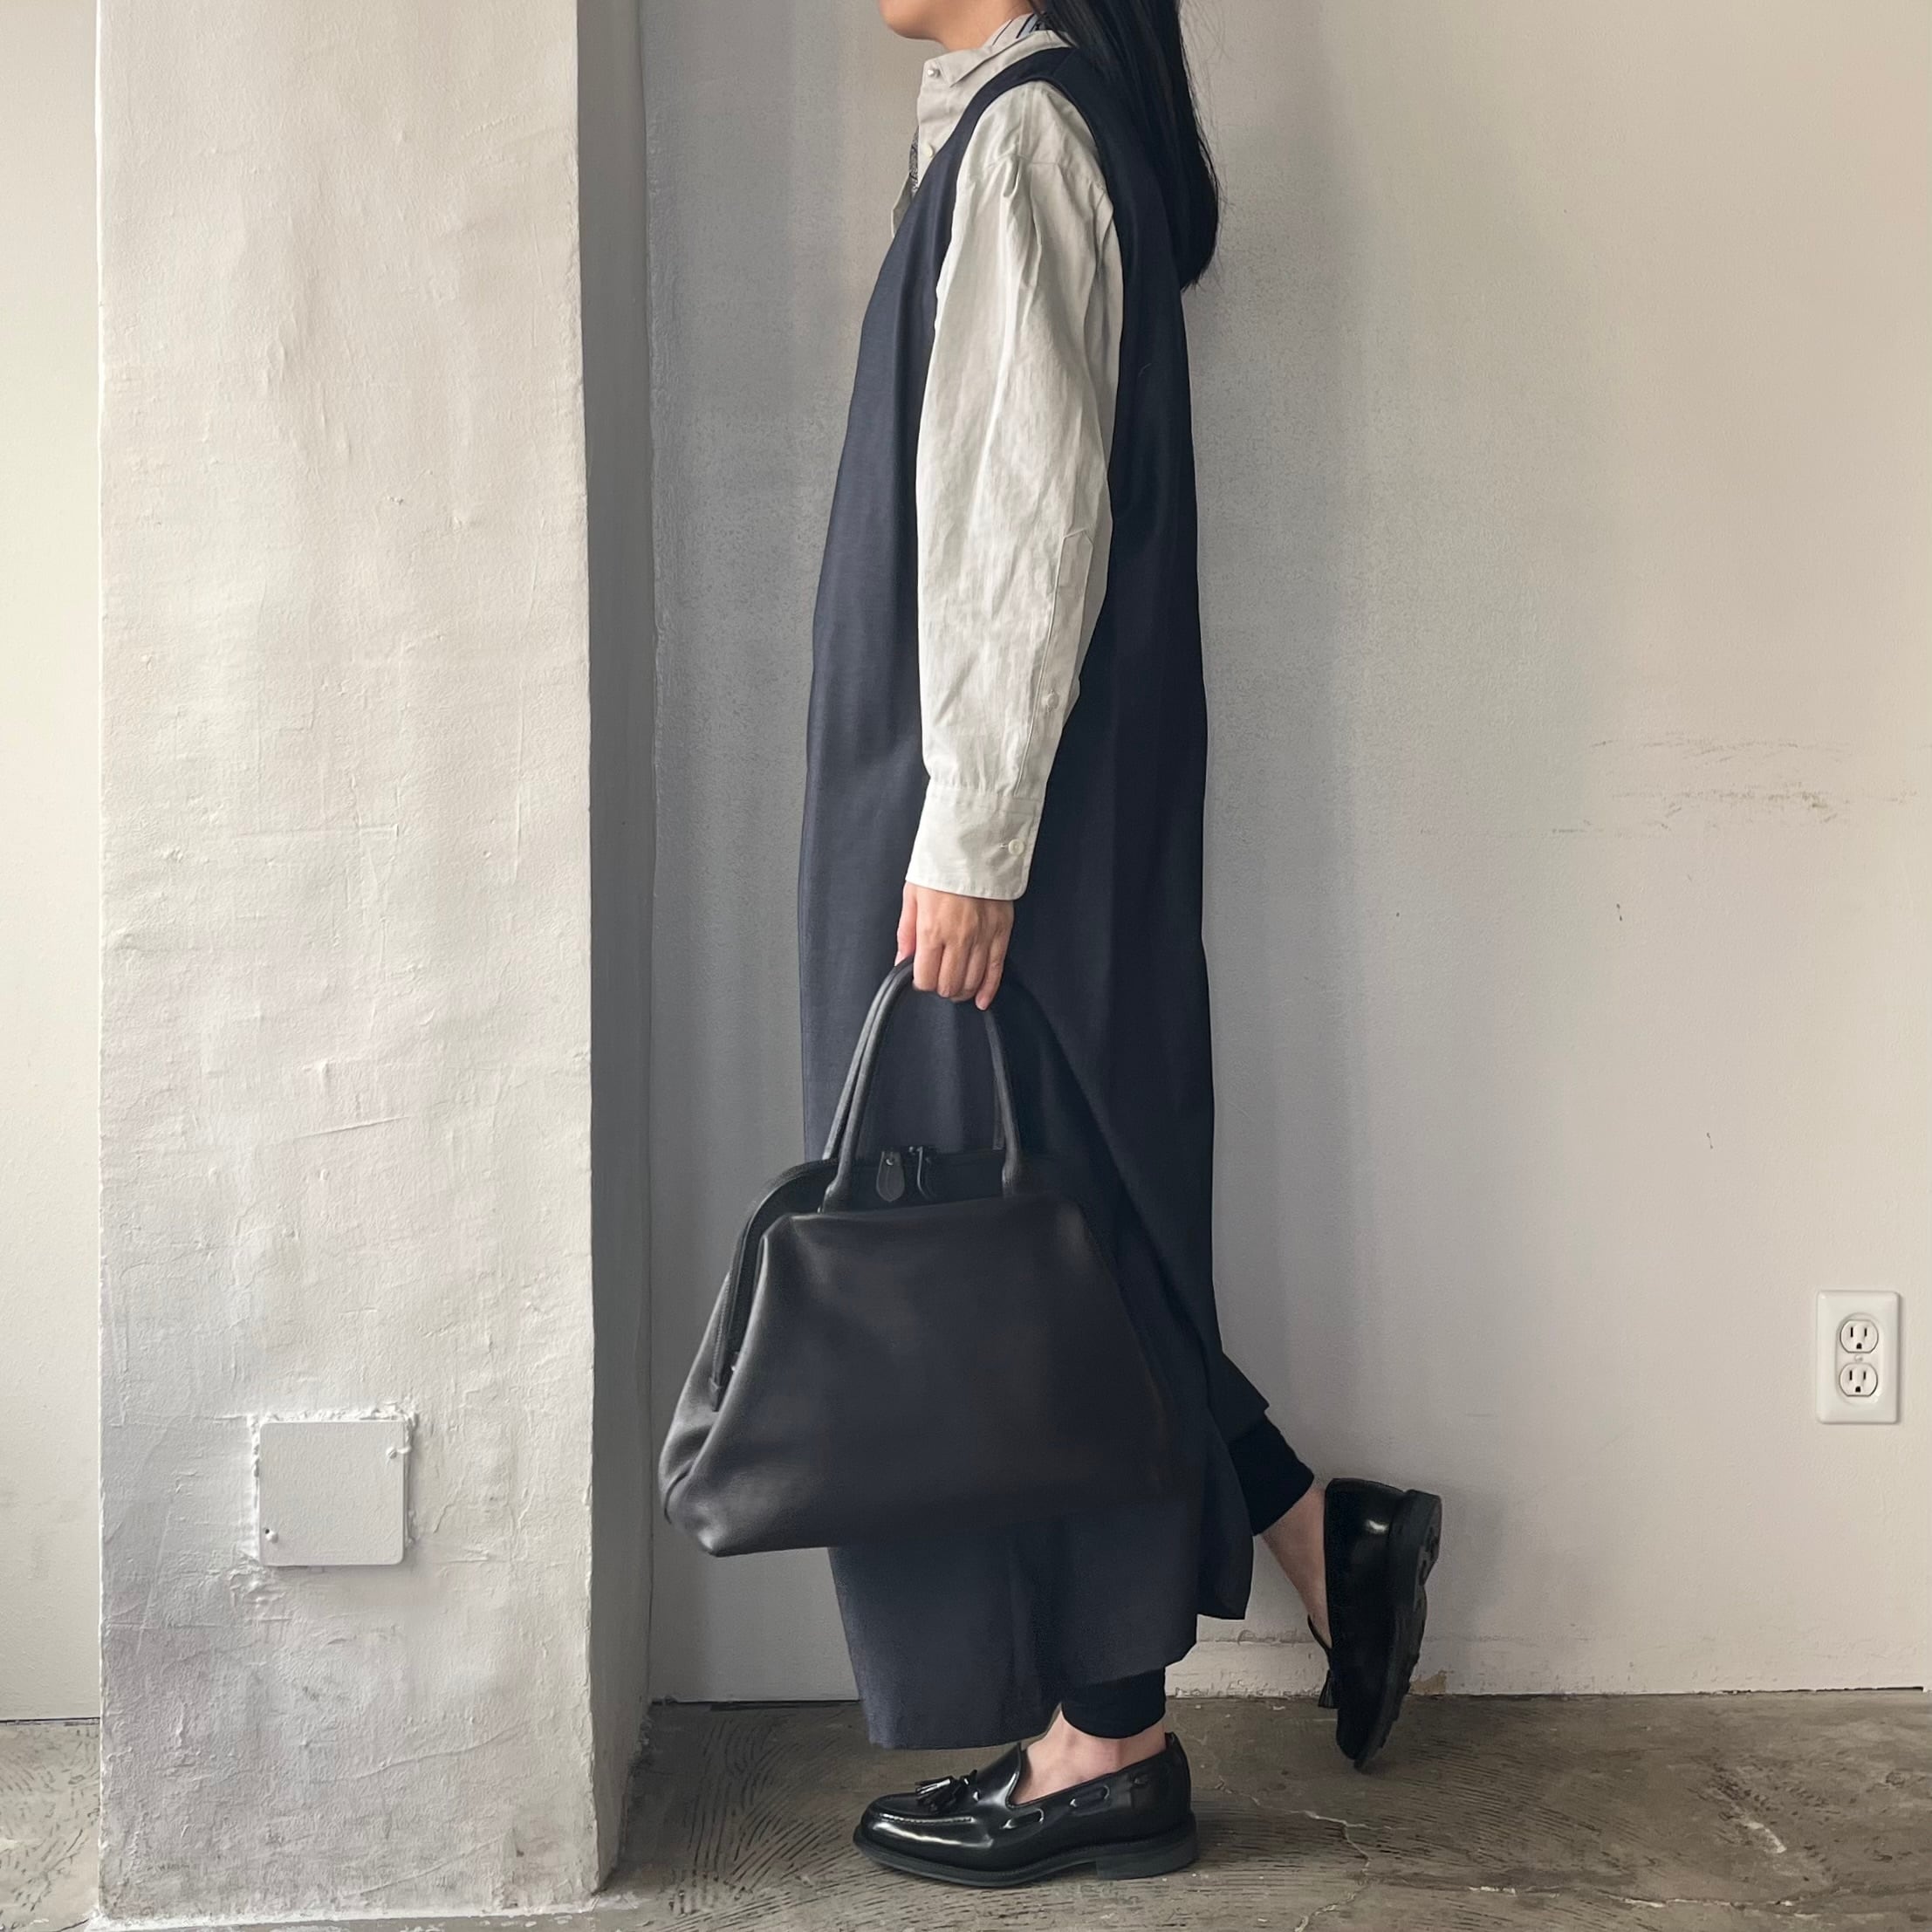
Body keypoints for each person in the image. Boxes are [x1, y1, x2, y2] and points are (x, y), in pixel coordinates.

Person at [797, 0, 1444, 1887]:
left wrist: (971, 840)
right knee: (1062, 1228)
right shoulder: (1013, 129)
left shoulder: (1027, 145)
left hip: (1001, 826)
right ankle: (1313, 1538)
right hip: (1009, 815)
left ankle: (1106, 1740)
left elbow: (1023, 525)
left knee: (1014, 1257)